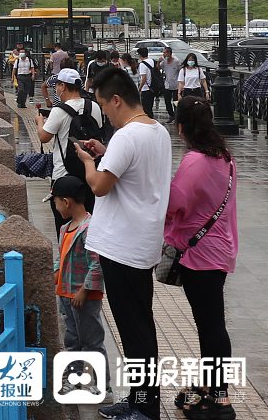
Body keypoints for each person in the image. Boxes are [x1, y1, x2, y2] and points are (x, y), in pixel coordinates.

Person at [75, 67, 172, 420]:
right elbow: (131, 173)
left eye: (104, 106)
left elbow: (100, 186)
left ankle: (145, 409)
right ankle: (138, 401)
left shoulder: (128, 136)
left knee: (136, 334)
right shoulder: (156, 131)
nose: (106, 115)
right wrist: (105, 151)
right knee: (139, 328)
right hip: (140, 244)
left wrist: (88, 161)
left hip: (123, 248)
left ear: (116, 100)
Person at [164, 97, 238, 420]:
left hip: (200, 256)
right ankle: (210, 387)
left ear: (182, 128)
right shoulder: (225, 158)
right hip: (219, 249)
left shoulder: (194, 162)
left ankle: (220, 400)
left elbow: (173, 204)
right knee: (212, 324)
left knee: (211, 327)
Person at [51, 175, 108, 397]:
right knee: (72, 340)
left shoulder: (90, 228)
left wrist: (85, 290)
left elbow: (97, 263)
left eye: (55, 202)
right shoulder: (66, 228)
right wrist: (56, 274)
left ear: (66, 202)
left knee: (92, 341)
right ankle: (75, 381)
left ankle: (102, 385)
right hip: (65, 293)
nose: (55, 207)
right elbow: (61, 255)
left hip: (84, 297)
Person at [37, 68, 104, 229]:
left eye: (57, 86)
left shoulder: (59, 110)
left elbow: (44, 137)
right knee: (87, 223)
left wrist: (39, 121)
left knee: (64, 226)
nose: (56, 89)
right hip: (90, 173)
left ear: (63, 86)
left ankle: (66, 253)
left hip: (63, 174)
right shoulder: (93, 106)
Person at [160, 47, 182, 123]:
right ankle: (171, 115)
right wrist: (158, 61)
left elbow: (180, 71)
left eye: (165, 52)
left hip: (176, 85)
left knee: (175, 102)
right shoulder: (164, 61)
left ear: (169, 53)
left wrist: (181, 83)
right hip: (167, 84)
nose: (164, 54)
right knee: (167, 101)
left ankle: (176, 116)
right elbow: (158, 67)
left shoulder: (176, 61)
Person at [137, 47, 157, 118]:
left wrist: (139, 88)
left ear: (140, 55)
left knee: (146, 109)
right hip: (153, 87)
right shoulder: (152, 61)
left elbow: (144, 78)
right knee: (150, 107)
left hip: (146, 89)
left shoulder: (142, 64)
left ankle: (150, 122)